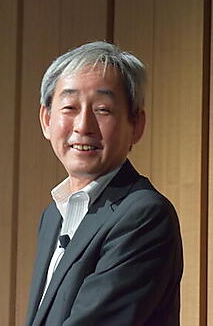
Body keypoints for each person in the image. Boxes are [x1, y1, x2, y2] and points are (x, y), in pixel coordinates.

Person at [24, 41, 183, 326]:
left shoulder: (144, 215)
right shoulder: (52, 216)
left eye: (102, 109)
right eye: (69, 107)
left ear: (136, 125)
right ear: (46, 120)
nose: (83, 125)